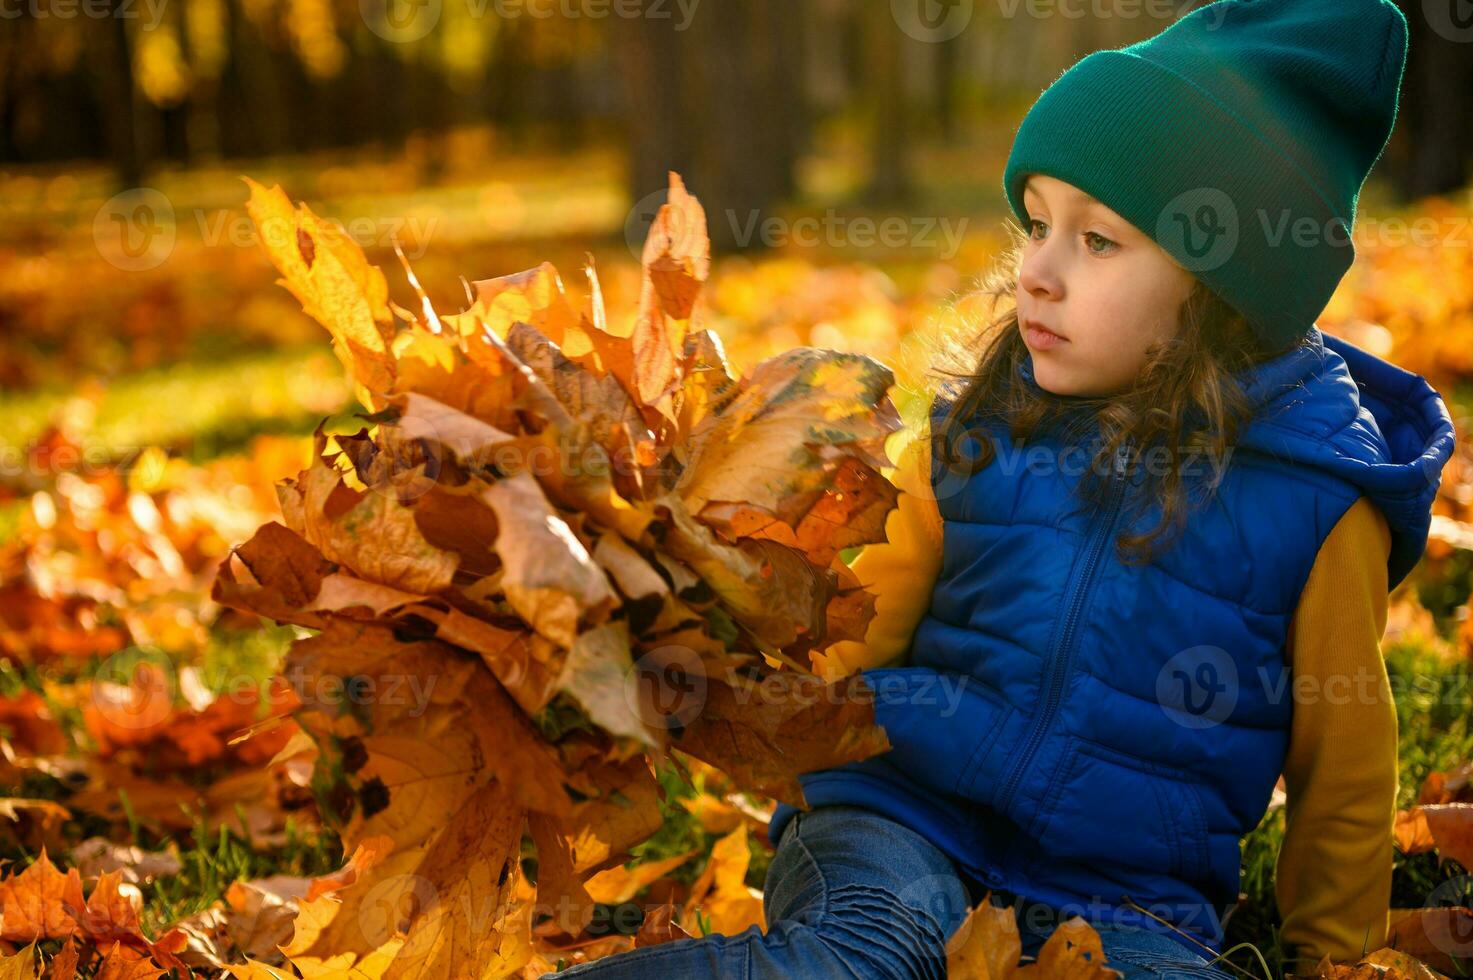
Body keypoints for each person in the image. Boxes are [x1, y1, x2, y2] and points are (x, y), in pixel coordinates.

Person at [545, 0, 1456, 976]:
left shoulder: (1323, 499)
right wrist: (719, 679)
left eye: (1098, 241)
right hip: (898, 816)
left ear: (1222, 288)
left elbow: (1344, 763)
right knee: (855, 958)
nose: (1038, 273)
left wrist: (1331, 955)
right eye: (1036, 226)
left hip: (1134, 897)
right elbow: (854, 632)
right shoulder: (982, 430)